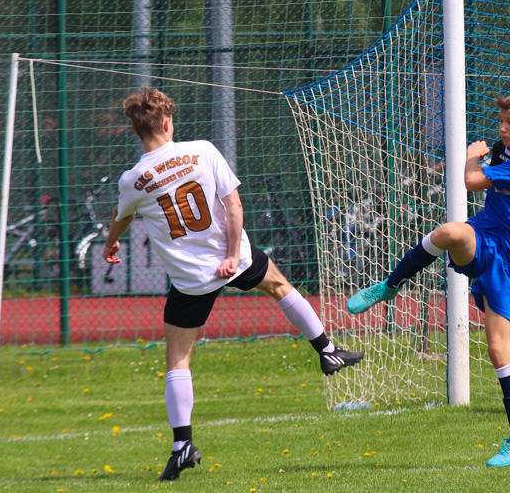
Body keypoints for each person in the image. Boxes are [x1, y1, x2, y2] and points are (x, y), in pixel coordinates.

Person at [102, 87, 364, 482]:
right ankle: (327, 351)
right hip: (233, 259)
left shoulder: (134, 179)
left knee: (178, 359)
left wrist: (110, 241)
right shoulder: (203, 150)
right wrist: (228, 255)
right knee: (279, 286)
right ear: (168, 121)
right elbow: (234, 205)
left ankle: (182, 446)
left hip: (191, 280)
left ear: (136, 130)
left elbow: (121, 217)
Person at [347, 92, 510, 468]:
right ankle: (390, 286)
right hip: (485, 233)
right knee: (447, 233)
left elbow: (473, 181)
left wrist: (472, 154)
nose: (503, 130)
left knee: (496, 349)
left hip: (507, 259)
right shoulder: (507, 148)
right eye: (502, 123)